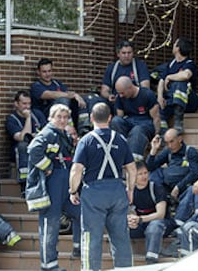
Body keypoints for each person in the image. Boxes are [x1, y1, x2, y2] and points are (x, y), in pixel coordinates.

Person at [69, 102, 137, 271]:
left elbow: (76, 169)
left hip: (93, 193)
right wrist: (130, 190)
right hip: (117, 190)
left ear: (91, 118)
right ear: (110, 118)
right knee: (121, 238)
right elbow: (132, 168)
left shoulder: (86, 140)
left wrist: (73, 190)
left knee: (91, 238)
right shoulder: (121, 139)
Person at [27, 104, 81, 271]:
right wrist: (48, 166)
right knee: (50, 225)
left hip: (65, 183)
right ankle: (48, 265)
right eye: (59, 117)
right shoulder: (48, 133)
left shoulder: (62, 134)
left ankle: (78, 247)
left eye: (65, 117)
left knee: (80, 213)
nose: (63, 120)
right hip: (52, 184)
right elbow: (33, 150)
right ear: (51, 118)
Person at [127, 161, 175, 264]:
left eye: (145, 173)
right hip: (142, 224)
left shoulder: (156, 187)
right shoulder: (130, 191)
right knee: (121, 227)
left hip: (161, 223)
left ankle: (151, 259)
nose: (144, 176)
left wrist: (140, 219)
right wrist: (131, 221)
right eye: (140, 174)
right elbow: (131, 211)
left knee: (154, 225)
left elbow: (160, 214)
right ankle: (124, 260)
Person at [5, 90, 47, 197]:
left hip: (38, 147)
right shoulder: (12, 119)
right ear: (16, 104)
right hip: (21, 152)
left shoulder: (37, 114)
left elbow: (47, 132)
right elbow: (23, 137)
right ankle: (24, 185)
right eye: (24, 104)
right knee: (23, 145)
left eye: (29, 104)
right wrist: (28, 118)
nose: (27, 107)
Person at [110, 76, 161, 161]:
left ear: (130, 88)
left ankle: (134, 161)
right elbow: (119, 117)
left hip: (145, 124)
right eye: (119, 93)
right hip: (129, 121)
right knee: (115, 120)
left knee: (137, 130)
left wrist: (157, 134)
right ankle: (119, 151)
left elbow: (156, 118)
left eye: (122, 93)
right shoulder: (120, 98)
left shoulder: (147, 95)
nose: (120, 95)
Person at [156, 37, 198, 133]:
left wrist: (170, 77)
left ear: (178, 48)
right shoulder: (171, 64)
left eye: (174, 44)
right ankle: (163, 133)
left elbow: (186, 75)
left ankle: (178, 121)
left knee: (180, 83)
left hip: (189, 102)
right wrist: (160, 97)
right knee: (156, 105)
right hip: (172, 101)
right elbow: (161, 81)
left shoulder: (189, 63)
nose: (172, 46)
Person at [146, 128, 198, 202]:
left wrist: (178, 187)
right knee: (154, 173)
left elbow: (195, 173)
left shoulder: (190, 152)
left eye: (172, 141)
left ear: (180, 139)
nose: (169, 145)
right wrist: (153, 150)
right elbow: (150, 167)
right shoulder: (168, 151)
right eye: (167, 143)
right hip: (168, 186)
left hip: (184, 187)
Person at [30, 58, 87, 127]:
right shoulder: (36, 86)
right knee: (62, 100)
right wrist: (73, 95)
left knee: (83, 100)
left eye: (49, 71)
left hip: (61, 112)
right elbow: (50, 94)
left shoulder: (57, 83)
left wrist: (77, 96)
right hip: (46, 115)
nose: (47, 74)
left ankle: (84, 128)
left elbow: (67, 93)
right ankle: (68, 127)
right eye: (44, 72)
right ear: (38, 72)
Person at [101, 40, 151, 105]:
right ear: (118, 54)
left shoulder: (140, 66)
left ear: (133, 53)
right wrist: (109, 96)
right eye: (124, 53)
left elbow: (145, 89)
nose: (127, 56)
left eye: (129, 53)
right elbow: (104, 90)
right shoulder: (112, 68)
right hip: (117, 103)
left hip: (135, 103)